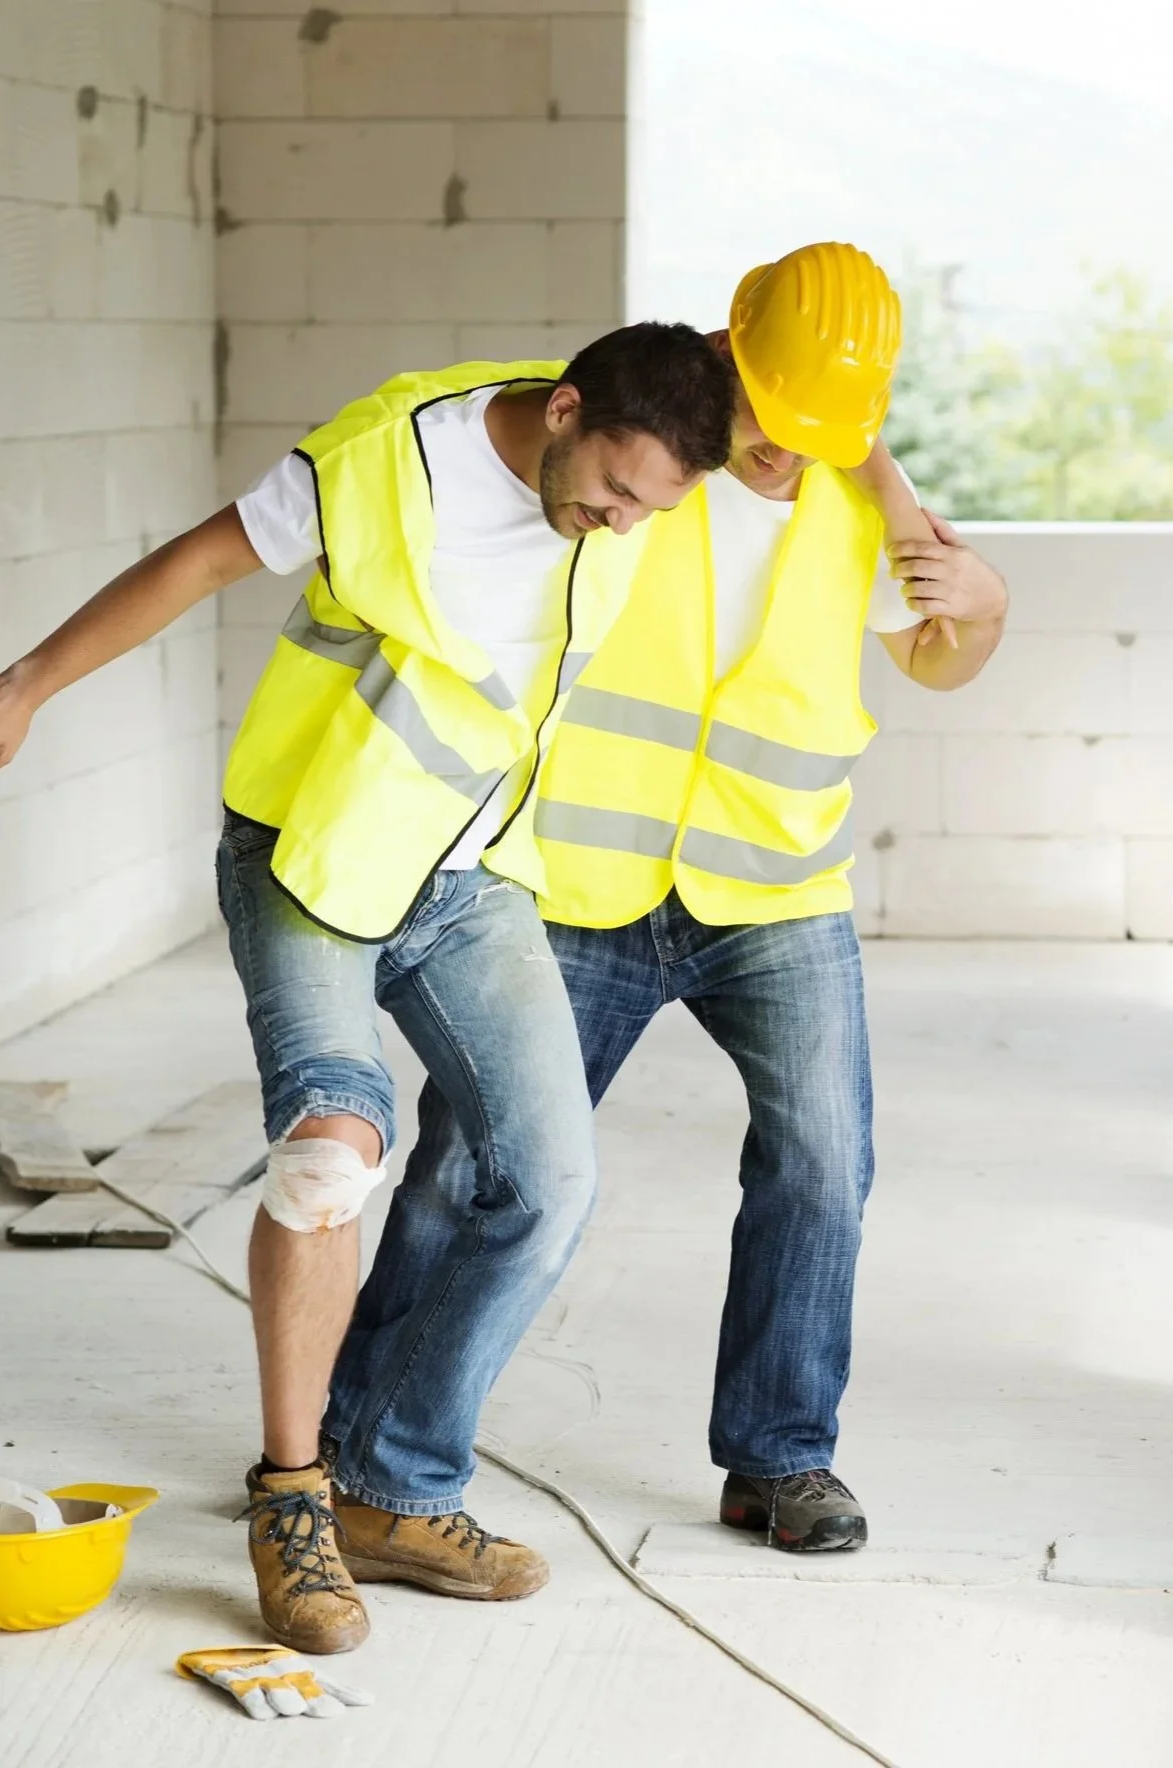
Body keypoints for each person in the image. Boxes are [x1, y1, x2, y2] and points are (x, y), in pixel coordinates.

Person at [0, 324, 735, 1650]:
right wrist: (24, 686)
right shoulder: (386, 464)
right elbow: (202, 557)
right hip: (310, 853)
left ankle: (393, 1484)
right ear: (564, 412)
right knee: (331, 1157)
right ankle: (293, 1501)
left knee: (550, 1181)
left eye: (646, 512)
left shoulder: (622, 465)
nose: (618, 527)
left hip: (472, 873)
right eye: (615, 492)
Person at [326, 242, 1009, 1562]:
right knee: (473, 1166)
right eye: (770, 417)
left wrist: (983, 605)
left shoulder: (860, 495)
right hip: (584, 883)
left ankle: (780, 1460)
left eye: (825, 433)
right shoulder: (639, 465)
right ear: (721, 353)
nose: (784, 454)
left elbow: (940, 658)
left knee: (822, 1164)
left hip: (774, 885)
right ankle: (354, 1445)